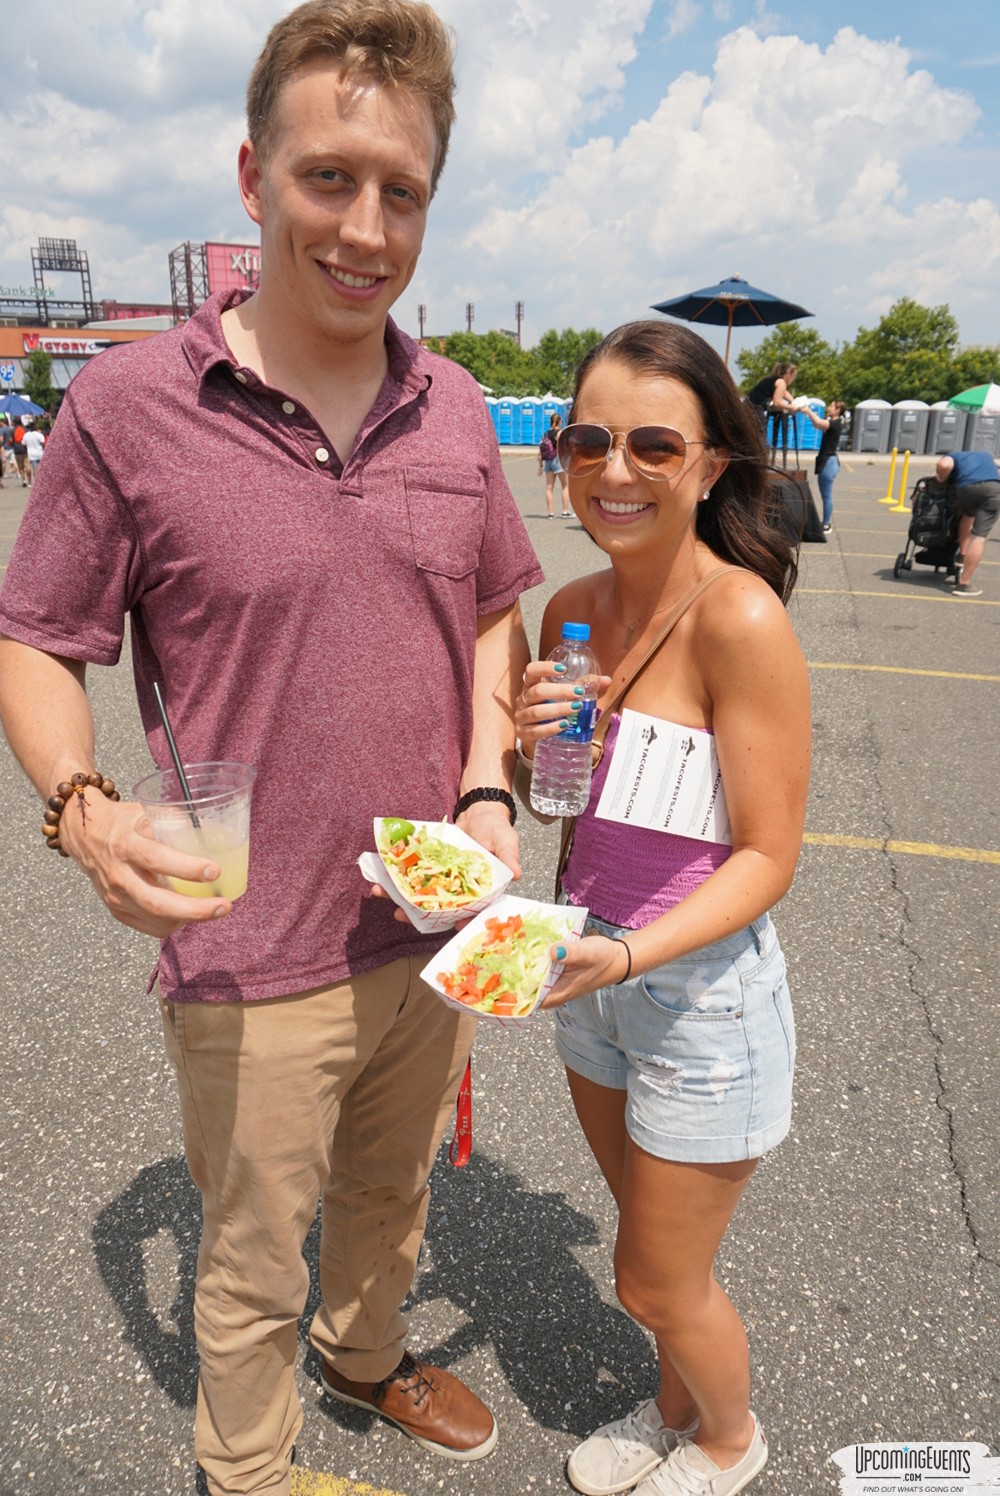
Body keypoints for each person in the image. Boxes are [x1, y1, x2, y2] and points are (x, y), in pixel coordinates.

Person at [0, 3, 543, 1493]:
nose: (366, 227)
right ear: (253, 177)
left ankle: (364, 1356)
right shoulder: (129, 408)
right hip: (247, 945)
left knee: (393, 1189)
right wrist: (82, 808)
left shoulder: (454, 407)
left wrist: (487, 785)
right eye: (328, 178)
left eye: (402, 191)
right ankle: (247, 1466)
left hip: (431, 914)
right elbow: (36, 636)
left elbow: (494, 609)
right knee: (249, 1257)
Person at [514, 321, 810, 1496]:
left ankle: (731, 1439)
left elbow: (768, 855)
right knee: (646, 1234)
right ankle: (673, 1402)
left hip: (697, 995)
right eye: (588, 440)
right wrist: (532, 750)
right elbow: (558, 805)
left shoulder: (740, 616)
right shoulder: (570, 612)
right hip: (589, 972)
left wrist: (631, 952)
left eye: (653, 443)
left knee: (652, 1277)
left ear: (711, 462)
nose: (615, 469)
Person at [935, 448, 999, 597]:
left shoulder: (953, 456)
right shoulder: (986, 455)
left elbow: (944, 465)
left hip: (966, 489)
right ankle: (964, 584)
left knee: (968, 515)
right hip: (993, 490)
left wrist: (941, 478)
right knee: (979, 536)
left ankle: (962, 555)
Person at [802, 398, 847, 532]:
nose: (829, 407)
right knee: (825, 495)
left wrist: (809, 411)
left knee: (826, 496)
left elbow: (818, 422)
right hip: (828, 461)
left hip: (829, 462)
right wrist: (809, 414)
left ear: (838, 410)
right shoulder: (833, 423)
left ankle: (826, 525)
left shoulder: (835, 423)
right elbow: (818, 425)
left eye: (832, 406)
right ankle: (826, 522)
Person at [744, 360, 797, 453]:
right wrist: (791, 407)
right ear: (789, 373)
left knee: (755, 435)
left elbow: (785, 394)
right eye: (794, 376)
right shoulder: (781, 382)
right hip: (755, 407)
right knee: (760, 437)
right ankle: (760, 457)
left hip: (748, 405)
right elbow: (777, 402)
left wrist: (795, 402)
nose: (794, 379)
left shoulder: (774, 379)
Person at [539, 410, 572, 517]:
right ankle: (565, 511)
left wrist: (540, 465)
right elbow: (564, 447)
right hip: (558, 461)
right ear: (560, 421)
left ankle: (550, 513)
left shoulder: (546, 433)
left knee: (549, 488)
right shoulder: (560, 433)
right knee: (565, 486)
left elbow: (541, 449)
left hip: (548, 461)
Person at [22, 419, 46, 484]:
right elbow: (43, 443)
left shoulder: (26, 435)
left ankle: (37, 481)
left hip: (31, 454)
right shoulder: (39, 435)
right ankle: (41, 481)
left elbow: (23, 444)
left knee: (35, 468)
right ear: (36, 427)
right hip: (40, 453)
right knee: (42, 468)